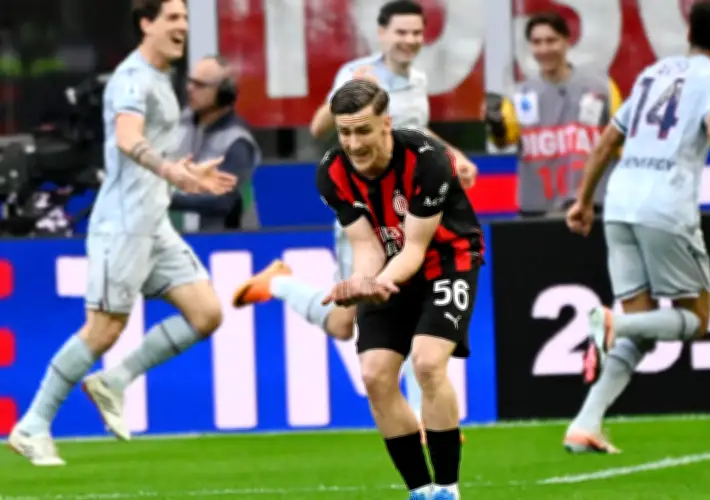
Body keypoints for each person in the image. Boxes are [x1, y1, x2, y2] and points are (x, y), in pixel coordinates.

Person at [562, 0, 710, 454]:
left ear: (688, 32)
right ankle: (611, 323)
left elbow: (608, 140)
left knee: (644, 327)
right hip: (665, 207)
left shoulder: (653, 73)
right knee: (695, 320)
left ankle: (585, 424)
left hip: (620, 203)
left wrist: (584, 200)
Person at [233, 0, 474, 442]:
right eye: (401, 32)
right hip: (367, 215)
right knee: (345, 324)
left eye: (416, 32)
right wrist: (347, 91)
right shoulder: (357, 73)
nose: (409, 40)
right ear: (381, 34)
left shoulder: (417, 80)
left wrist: (452, 155)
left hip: (405, 213)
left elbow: (412, 133)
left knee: (410, 306)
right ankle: (280, 284)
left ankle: (425, 419)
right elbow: (318, 127)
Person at [7, 0, 236, 466]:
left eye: (185, 18)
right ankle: (32, 425)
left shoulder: (162, 79)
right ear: (146, 24)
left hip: (153, 223)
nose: (182, 27)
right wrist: (170, 170)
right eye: (172, 18)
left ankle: (114, 381)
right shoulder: (132, 78)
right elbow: (129, 139)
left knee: (206, 313)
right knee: (103, 329)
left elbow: (150, 149)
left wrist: (183, 172)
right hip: (123, 225)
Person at [315, 79, 483, 500]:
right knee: (374, 375)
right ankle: (420, 492)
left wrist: (379, 282)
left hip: (447, 261)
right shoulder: (331, 173)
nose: (353, 144)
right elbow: (367, 246)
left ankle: (447, 490)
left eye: (363, 130)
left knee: (427, 363)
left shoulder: (429, 160)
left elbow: (415, 249)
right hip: (390, 263)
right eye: (344, 132)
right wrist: (363, 282)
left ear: (386, 124)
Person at [485, 11, 622, 217]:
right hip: (536, 208)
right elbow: (504, 141)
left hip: (591, 205)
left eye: (551, 41)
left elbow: (621, 141)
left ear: (566, 41)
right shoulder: (520, 93)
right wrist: (496, 125)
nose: (544, 49)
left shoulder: (601, 87)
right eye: (537, 42)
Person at [170, 55, 261, 232]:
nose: (190, 88)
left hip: (225, 241)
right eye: (190, 81)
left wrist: (166, 199)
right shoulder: (181, 123)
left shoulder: (237, 141)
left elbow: (223, 202)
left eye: (200, 85)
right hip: (180, 237)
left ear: (223, 93)